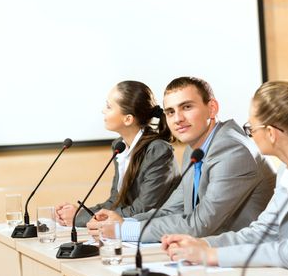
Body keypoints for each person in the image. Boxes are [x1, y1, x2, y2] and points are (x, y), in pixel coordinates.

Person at [162, 81, 288, 276]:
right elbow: (263, 231)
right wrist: (204, 245)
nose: (250, 136)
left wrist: (211, 256)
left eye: (250, 128)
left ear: (271, 133)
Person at [87, 77, 276, 242]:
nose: (177, 119)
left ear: (212, 108)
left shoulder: (233, 150)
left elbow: (199, 224)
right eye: (170, 112)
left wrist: (123, 230)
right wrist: (121, 222)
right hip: (207, 253)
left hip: (248, 263)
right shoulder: (194, 151)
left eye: (186, 107)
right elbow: (172, 210)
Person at [55, 80, 180, 227]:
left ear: (128, 119)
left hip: (156, 233)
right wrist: (81, 212)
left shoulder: (158, 150)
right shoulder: (120, 146)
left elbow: (142, 209)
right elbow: (115, 202)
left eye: (109, 107)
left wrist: (79, 218)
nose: (103, 111)